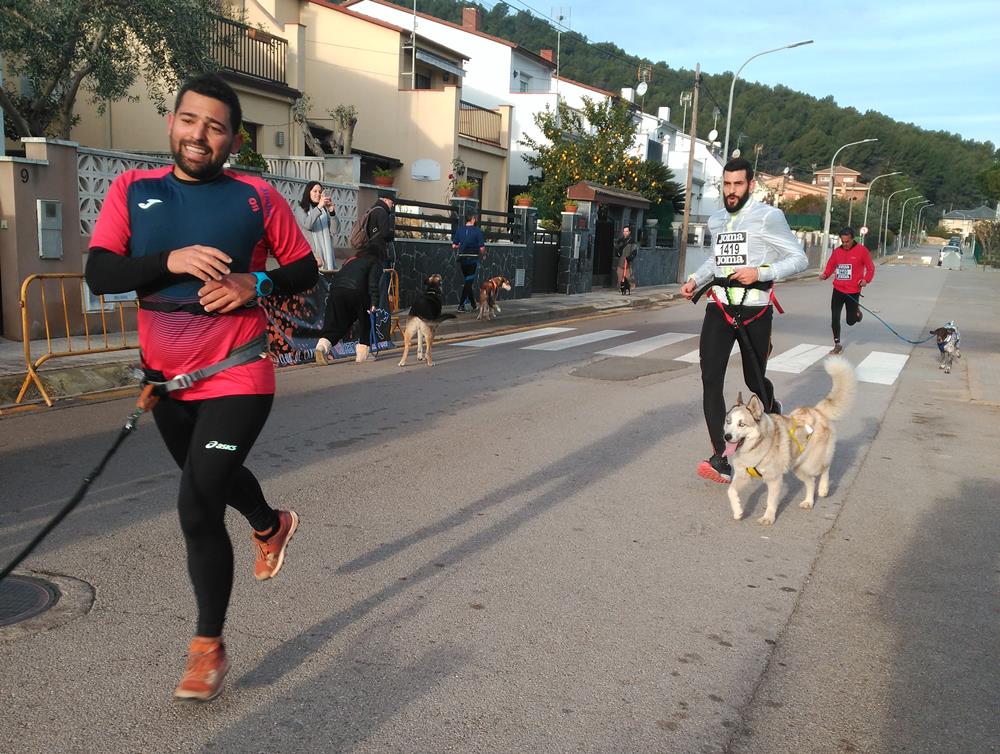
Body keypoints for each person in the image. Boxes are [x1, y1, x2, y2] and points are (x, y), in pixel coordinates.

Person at [84, 74, 319, 701]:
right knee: (206, 476)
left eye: (216, 127)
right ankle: (270, 523)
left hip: (239, 371)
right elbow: (100, 271)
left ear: (234, 140)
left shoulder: (255, 195)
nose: (199, 135)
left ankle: (207, 648)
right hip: (167, 382)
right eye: (190, 120)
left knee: (197, 504)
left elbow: (305, 268)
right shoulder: (133, 189)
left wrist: (254, 283)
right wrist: (171, 260)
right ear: (172, 123)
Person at [679, 157, 808, 484]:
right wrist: (695, 279)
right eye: (727, 184)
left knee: (754, 379)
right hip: (720, 307)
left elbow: (799, 259)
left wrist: (761, 273)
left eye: (738, 184)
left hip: (755, 310)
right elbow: (716, 260)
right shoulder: (717, 220)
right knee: (711, 379)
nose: (731, 191)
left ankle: (771, 407)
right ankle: (722, 458)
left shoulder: (768, 217)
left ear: (751, 185)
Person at [314, 196, 393, 363]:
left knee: (339, 323)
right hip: (357, 292)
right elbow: (373, 284)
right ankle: (363, 354)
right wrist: (374, 303)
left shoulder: (352, 259)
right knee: (366, 320)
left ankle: (322, 346)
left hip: (336, 290)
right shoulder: (375, 262)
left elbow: (341, 274)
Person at [820, 226, 874, 355]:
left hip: (853, 291)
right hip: (838, 290)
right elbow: (831, 265)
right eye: (842, 242)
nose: (845, 244)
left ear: (853, 239)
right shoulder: (837, 251)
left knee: (850, 321)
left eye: (847, 242)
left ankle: (857, 313)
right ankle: (837, 344)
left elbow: (870, 268)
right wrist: (825, 275)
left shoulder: (862, 251)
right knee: (835, 317)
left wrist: (866, 280)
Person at [294, 181, 340, 271]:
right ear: (308, 192)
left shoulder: (324, 211)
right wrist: (319, 207)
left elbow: (335, 230)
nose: (318, 194)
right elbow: (307, 225)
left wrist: (332, 212)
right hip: (311, 255)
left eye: (320, 192)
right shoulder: (300, 209)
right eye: (315, 191)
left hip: (327, 256)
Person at [452, 213, 486, 311]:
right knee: (468, 282)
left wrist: (461, 245)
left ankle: (473, 304)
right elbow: (482, 247)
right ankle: (461, 305)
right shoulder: (477, 231)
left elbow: (454, 245)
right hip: (472, 259)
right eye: (475, 218)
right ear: (473, 219)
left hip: (462, 259)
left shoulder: (460, 230)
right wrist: (483, 255)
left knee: (468, 281)